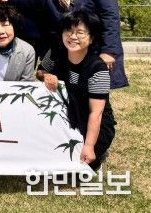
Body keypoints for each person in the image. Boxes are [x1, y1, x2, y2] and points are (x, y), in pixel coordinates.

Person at [37, 12, 116, 171]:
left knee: (81, 164)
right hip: (63, 115)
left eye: (80, 32)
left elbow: (96, 113)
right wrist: (46, 76)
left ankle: (99, 152)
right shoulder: (56, 51)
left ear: (91, 38)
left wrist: (89, 146)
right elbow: (40, 72)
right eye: (68, 31)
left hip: (90, 119)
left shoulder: (98, 68)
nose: (72, 37)